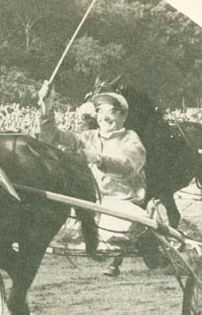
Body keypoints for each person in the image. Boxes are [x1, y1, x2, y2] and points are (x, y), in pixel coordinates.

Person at [38, 82, 163, 277]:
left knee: (129, 227)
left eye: (111, 111)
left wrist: (99, 159)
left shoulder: (131, 139)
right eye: (99, 111)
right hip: (89, 201)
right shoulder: (87, 137)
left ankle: (153, 248)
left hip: (120, 202)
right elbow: (52, 138)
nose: (103, 117)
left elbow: (128, 167)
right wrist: (47, 106)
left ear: (123, 115)